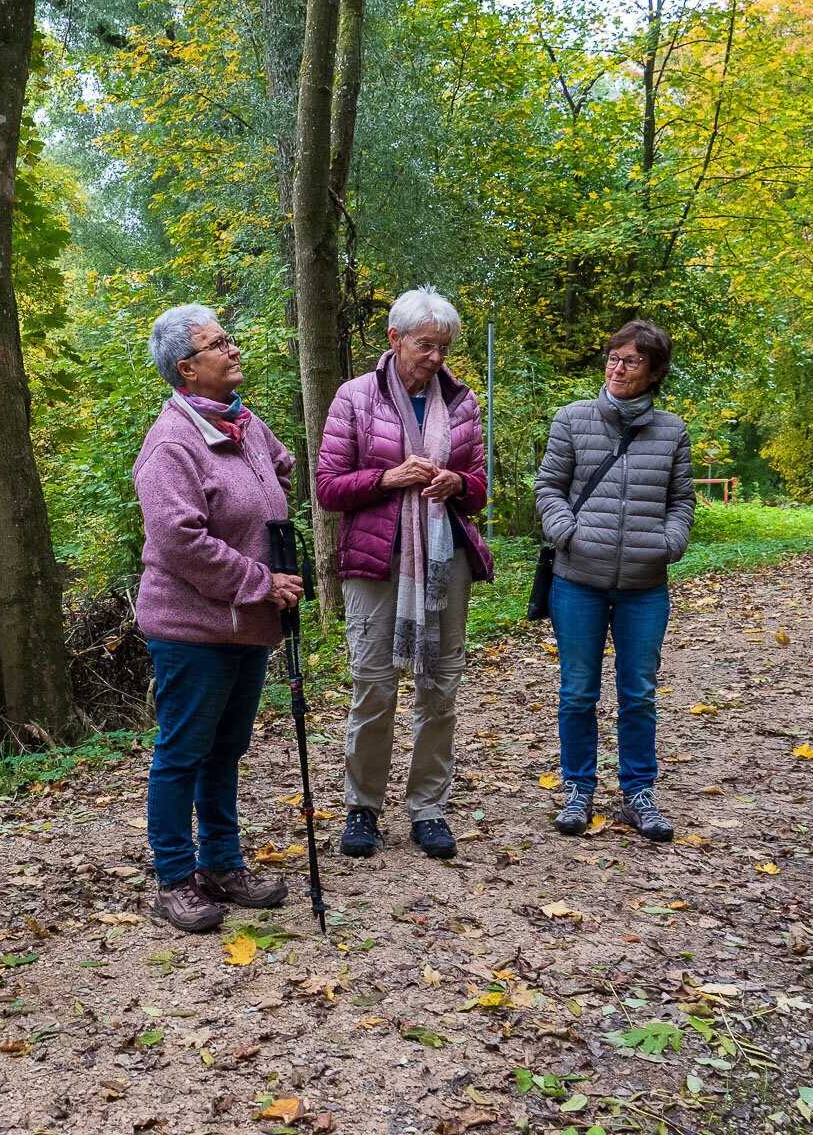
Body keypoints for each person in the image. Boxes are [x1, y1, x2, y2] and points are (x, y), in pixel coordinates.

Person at [132, 304, 301, 933]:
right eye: (218, 343)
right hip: (192, 626)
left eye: (228, 339)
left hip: (247, 623)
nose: (233, 349)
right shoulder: (171, 442)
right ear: (187, 368)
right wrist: (261, 580)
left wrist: (266, 491)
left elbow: (279, 465)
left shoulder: (240, 423)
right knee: (183, 752)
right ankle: (176, 877)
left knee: (225, 749)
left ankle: (223, 864)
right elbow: (180, 540)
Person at [315, 286, 493, 862]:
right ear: (394, 339)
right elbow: (326, 489)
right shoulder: (355, 398)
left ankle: (429, 808)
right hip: (375, 563)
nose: (436, 358)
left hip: (446, 561)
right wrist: (387, 479)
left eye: (444, 347)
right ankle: (363, 807)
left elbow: (481, 486)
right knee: (374, 686)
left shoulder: (462, 403)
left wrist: (458, 484)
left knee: (441, 686)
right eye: (426, 345)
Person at [533, 319, 694, 843]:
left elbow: (682, 501)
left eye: (631, 361)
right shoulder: (573, 419)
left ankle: (639, 793)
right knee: (578, 691)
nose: (618, 368)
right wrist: (566, 532)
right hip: (577, 578)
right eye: (613, 358)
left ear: (654, 373)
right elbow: (549, 486)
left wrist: (670, 543)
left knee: (639, 693)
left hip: (645, 587)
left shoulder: (671, 431)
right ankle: (578, 789)